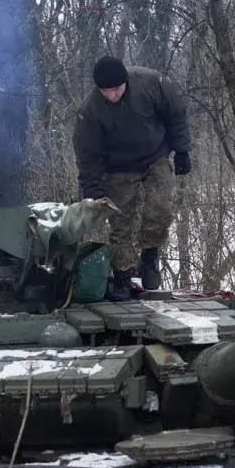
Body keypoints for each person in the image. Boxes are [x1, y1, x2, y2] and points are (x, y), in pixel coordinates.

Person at [73, 56, 191, 301]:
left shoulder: (151, 82)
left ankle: (150, 255)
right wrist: (92, 188)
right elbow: (87, 154)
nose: (111, 95)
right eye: (105, 91)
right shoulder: (90, 110)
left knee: (159, 209)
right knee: (119, 223)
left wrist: (182, 150)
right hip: (117, 168)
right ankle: (123, 275)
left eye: (115, 89)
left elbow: (176, 114)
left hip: (155, 156)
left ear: (125, 82)